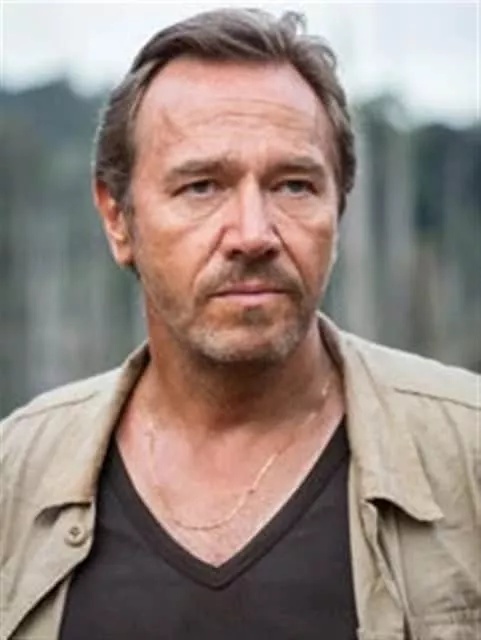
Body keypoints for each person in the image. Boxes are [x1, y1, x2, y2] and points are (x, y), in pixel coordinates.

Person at [1, 8, 479, 640]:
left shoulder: (465, 456)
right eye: (202, 186)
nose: (254, 234)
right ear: (118, 218)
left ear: (338, 208)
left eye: (294, 186)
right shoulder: (17, 477)